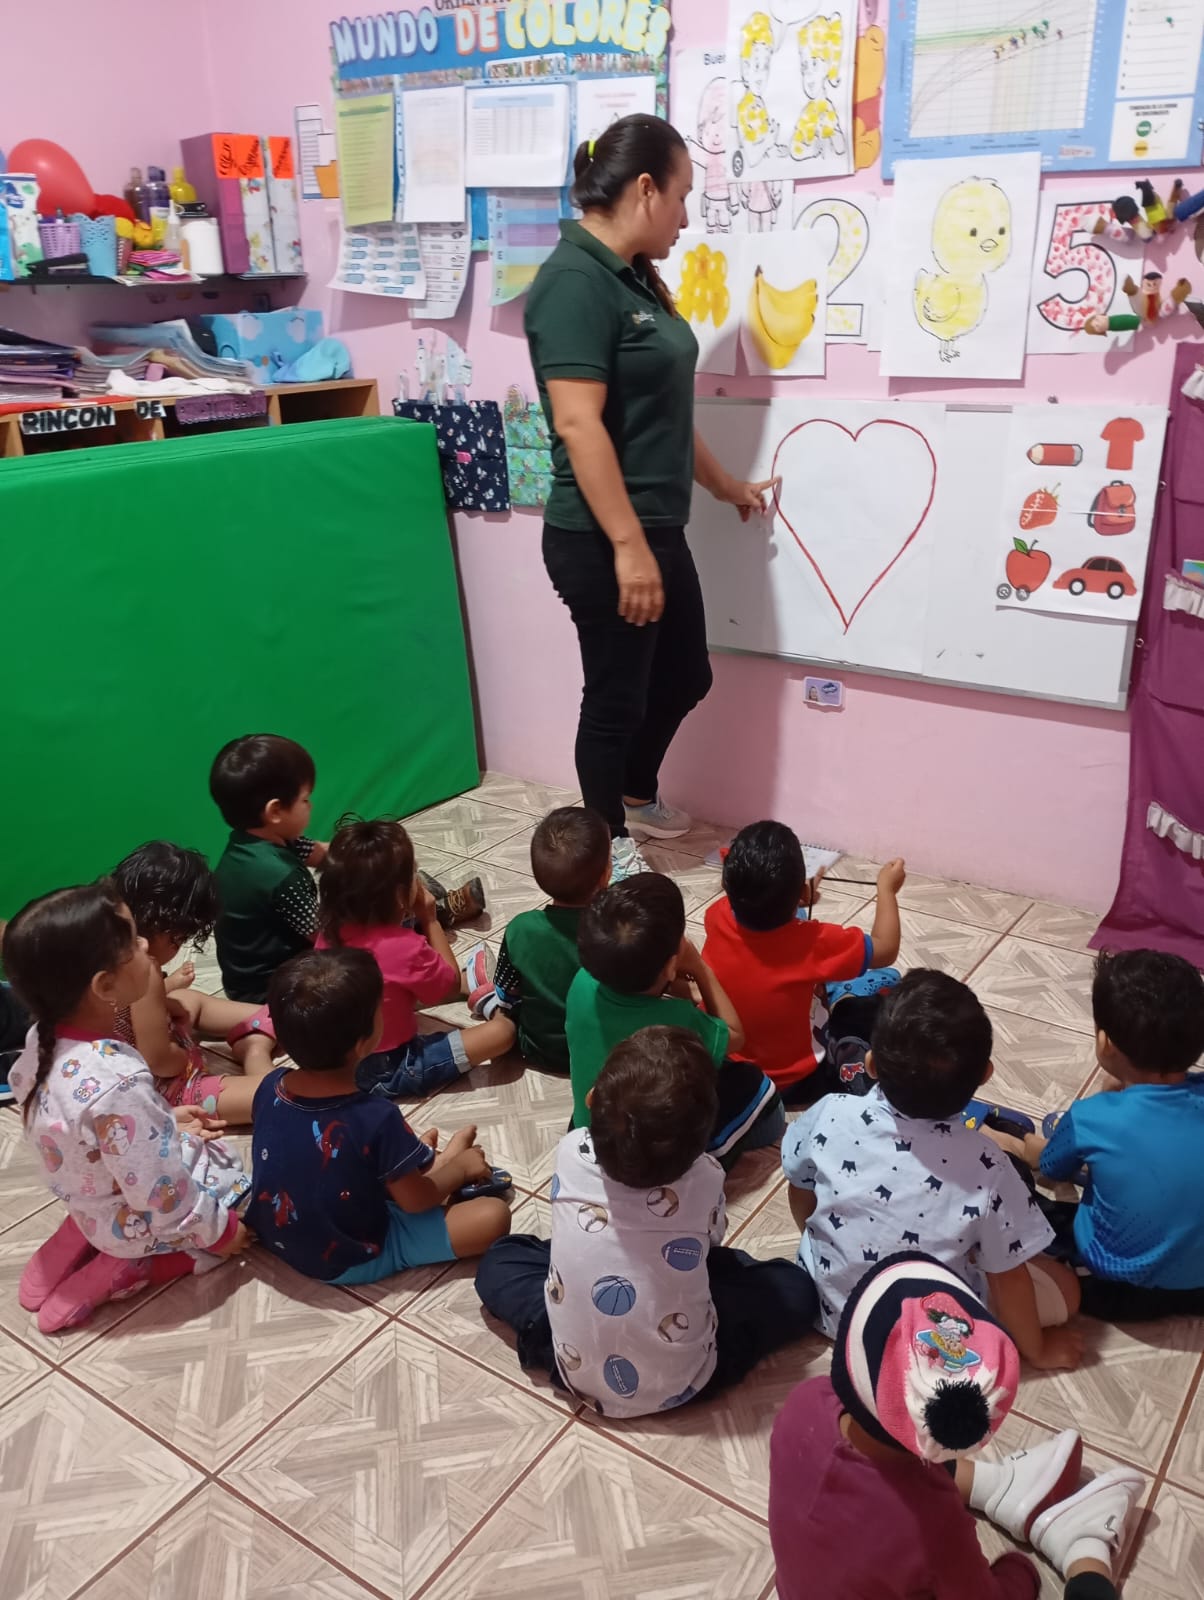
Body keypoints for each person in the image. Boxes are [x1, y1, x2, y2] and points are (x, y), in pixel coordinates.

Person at [524, 114, 778, 881]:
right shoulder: (572, 283)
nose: (686, 216)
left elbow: (663, 412)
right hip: (602, 537)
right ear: (644, 189)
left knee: (685, 676)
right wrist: (628, 547)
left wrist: (726, 486)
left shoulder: (630, 276)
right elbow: (579, 424)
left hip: (655, 529)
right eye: (682, 196)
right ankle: (604, 847)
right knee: (616, 700)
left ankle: (634, 795)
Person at [475, 1026, 816, 1416]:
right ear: (703, 1140)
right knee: (794, 1288)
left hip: (570, 1365)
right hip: (685, 1379)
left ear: (591, 1099)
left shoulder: (569, 1150)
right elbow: (711, 1244)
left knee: (500, 1259)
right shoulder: (706, 1176)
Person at [769, 1252, 1144, 1600]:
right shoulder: (931, 1524)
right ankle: (1085, 1547)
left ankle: (999, 1486)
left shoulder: (803, 1403)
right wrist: (1021, 1571)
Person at [783, 969, 1084, 1369]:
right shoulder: (990, 1164)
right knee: (1065, 1288)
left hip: (833, 1312)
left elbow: (799, 1186)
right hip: (930, 1334)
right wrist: (1039, 1352)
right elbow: (1008, 1277)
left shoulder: (829, 1113)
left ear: (871, 1064)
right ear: (985, 1075)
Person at [4, 883, 251, 1334]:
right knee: (237, 1187)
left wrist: (164, 1122)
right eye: (133, 942)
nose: (144, 945)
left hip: (86, 1198)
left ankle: (79, 1233)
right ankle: (134, 1265)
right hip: (127, 1221)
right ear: (105, 986)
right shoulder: (117, 1079)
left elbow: (86, 1129)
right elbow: (162, 1192)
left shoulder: (41, 1040)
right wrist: (220, 1231)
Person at [246, 948, 510, 1284]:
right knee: (492, 1216)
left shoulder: (270, 1086)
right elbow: (416, 1202)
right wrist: (461, 1170)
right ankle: (447, 1163)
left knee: (381, 1168)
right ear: (364, 1043)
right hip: (349, 1256)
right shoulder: (375, 1117)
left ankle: (426, 1162)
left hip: (277, 1234)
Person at [1004, 949, 1204, 1321]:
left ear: (1104, 1043)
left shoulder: (1092, 1118)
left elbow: (1053, 1168)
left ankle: (1003, 1140)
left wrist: (1031, 1147)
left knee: (1024, 1196)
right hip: (1200, 1291)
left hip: (1115, 1289)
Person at [567, 874, 782, 1167]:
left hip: (590, 1131)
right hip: (649, 1155)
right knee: (759, 1089)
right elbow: (735, 1035)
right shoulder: (676, 1022)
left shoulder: (582, 982)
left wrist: (676, 980)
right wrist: (699, 966)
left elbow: (641, 995)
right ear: (671, 966)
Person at [703, 821, 905, 1102]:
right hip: (793, 1081)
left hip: (728, 1063)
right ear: (800, 892)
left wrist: (796, 900)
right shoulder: (814, 943)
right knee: (887, 979)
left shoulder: (715, 915)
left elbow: (765, 938)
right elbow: (887, 947)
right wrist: (887, 890)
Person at [315, 817, 515, 1099]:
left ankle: (473, 985)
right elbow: (447, 984)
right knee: (503, 1033)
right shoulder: (405, 947)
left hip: (337, 1062)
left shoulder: (328, 934)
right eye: (414, 874)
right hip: (393, 1067)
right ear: (400, 896)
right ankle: (492, 1003)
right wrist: (430, 919)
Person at [110, 841, 280, 1124]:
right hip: (161, 1091)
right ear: (167, 931)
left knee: (189, 1000)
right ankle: (255, 1049)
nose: (178, 947)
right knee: (275, 1097)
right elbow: (158, 1061)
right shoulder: (145, 967)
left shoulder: (110, 947)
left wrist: (166, 998)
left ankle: (271, 1021)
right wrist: (183, 1056)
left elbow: (130, 1006)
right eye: (178, 940)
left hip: (127, 1051)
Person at [482, 805, 612, 1071]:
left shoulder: (520, 928)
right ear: (605, 875)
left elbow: (508, 993)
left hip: (537, 1050)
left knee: (491, 984)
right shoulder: (616, 929)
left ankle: (479, 992)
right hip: (602, 1053)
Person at [210, 733, 328, 1003]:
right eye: (305, 799)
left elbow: (320, 853)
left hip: (241, 983)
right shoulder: (283, 877)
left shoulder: (249, 841)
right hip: (274, 991)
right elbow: (323, 937)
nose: (310, 805)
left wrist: (370, 852)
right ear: (275, 811)